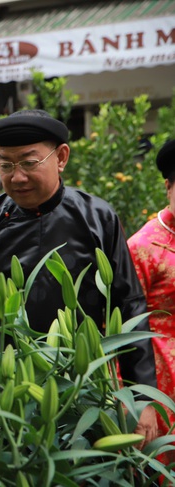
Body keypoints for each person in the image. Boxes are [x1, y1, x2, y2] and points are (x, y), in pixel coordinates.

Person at [0, 109, 158, 445]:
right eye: (5, 165)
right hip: (2, 395)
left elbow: (129, 306)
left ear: (61, 157)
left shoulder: (96, 217)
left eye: (29, 163)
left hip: (82, 389)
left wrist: (143, 397)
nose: (16, 177)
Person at [128, 139, 175, 456]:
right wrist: (135, 402)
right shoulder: (143, 247)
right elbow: (120, 327)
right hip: (161, 388)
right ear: (168, 187)